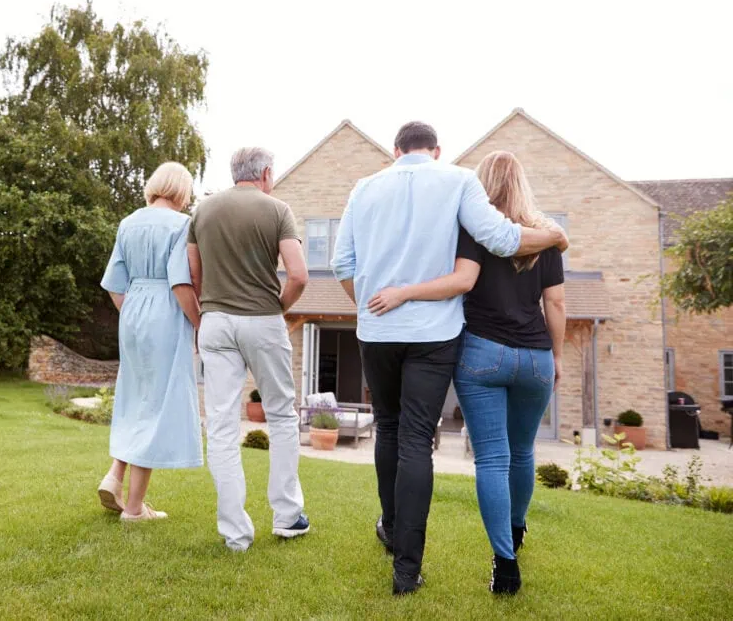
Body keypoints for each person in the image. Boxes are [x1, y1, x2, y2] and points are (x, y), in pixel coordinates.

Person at [331, 122, 568, 595]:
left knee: (388, 427)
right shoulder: (459, 180)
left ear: (395, 150)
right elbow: (502, 240)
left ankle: (392, 529)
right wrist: (555, 236)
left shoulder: (363, 188)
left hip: (378, 329)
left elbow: (342, 265)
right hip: (435, 335)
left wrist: (372, 305)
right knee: (417, 439)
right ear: (436, 151)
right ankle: (406, 570)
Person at [188, 147, 310, 552]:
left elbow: (194, 272)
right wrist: (277, 307)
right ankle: (288, 516)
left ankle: (235, 534)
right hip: (262, 319)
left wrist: (212, 308)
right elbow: (298, 275)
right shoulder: (277, 210)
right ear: (267, 173)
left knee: (221, 426)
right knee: (281, 415)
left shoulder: (203, 212)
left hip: (216, 322)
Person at [97, 161, 203, 522]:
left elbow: (114, 283)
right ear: (181, 189)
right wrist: (199, 323)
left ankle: (114, 476)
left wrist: (133, 312)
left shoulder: (128, 223)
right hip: (166, 310)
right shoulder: (182, 225)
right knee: (156, 405)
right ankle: (134, 508)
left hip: (132, 310)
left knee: (134, 396)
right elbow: (181, 282)